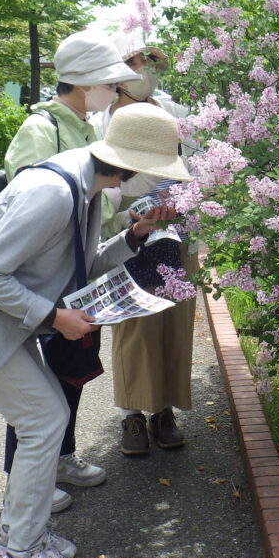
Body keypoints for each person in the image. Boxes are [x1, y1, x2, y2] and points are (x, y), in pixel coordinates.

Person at [0, 103, 191, 558]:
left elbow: (83, 266)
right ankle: (22, 550)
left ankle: (14, 536)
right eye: (155, 170)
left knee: (44, 419)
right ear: (134, 165)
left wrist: (136, 235)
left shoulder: (87, 185)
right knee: (44, 420)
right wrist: (55, 317)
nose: (156, 181)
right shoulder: (54, 192)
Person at [0, 29, 140, 513]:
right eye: (108, 83)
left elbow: (98, 201)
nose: (113, 92)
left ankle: (60, 458)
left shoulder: (88, 126)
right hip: (36, 281)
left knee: (69, 373)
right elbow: (26, 203)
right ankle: (20, 485)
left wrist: (127, 222)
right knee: (32, 391)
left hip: (77, 271)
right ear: (85, 83)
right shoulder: (42, 128)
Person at [92, 30, 202, 456]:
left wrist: (183, 207)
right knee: (134, 323)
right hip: (128, 230)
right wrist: (128, 220)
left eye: (153, 62)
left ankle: (165, 410)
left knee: (174, 320)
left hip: (177, 223)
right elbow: (100, 187)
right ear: (119, 73)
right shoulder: (101, 121)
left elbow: (197, 166)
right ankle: (133, 415)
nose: (147, 70)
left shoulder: (173, 110)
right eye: (138, 62)